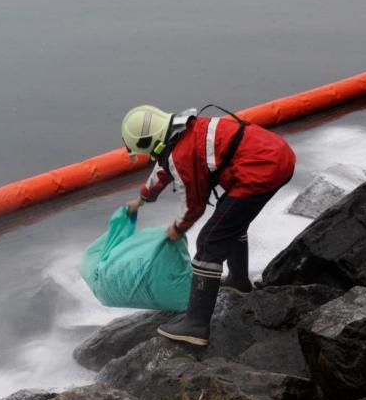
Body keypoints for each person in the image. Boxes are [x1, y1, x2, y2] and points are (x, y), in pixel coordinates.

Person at [121, 105, 295, 346]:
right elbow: (162, 170)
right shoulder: (184, 130)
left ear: (148, 141)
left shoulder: (180, 154)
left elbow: (194, 205)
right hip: (276, 155)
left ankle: (195, 325)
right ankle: (238, 281)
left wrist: (177, 228)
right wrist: (141, 199)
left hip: (262, 169)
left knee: (209, 242)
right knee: (229, 220)